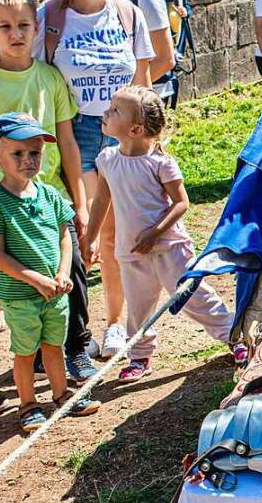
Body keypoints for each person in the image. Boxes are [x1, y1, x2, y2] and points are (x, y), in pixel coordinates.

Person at [33, 0, 154, 362]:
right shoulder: (50, 18)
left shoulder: (129, 14)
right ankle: (67, 336)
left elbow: (143, 84)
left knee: (119, 231)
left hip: (125, 130)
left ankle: (116, 324)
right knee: (87, 229)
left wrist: (150, 142)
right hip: (78, 129)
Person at [0, 0, 98, 385]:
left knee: (71, 270)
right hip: (1, 205)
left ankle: (76, 347)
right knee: (12, 277)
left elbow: (67, 142)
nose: (16, 33)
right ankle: (41, 350)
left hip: (50, 200)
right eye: (5, 26)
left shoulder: (49, 78)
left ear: (36, 26)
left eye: (24, 24)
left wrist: (79, 202)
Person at [85, 86, 234, 382]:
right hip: (131, 251)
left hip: (170, 248)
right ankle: (139, 356)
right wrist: (90, 238)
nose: (106, 112)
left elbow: (182, 203)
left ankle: (236, 336)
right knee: (139, 309)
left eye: (115, 110)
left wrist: (155, 233)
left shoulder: (160, 163)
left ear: (136, 128)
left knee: (194, 297)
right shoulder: (107, 159)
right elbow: (102, 200)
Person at [0, 114, 101, 434]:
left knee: (53, 347)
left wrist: (60, 273)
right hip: (21, 297)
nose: (28, 160)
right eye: (18, 153)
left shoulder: (51, 195)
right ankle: (28, 404)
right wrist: (36, 280)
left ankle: (62, 397)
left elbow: (63, 237)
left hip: (55, 293)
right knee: (26, 352)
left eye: (35, 152)